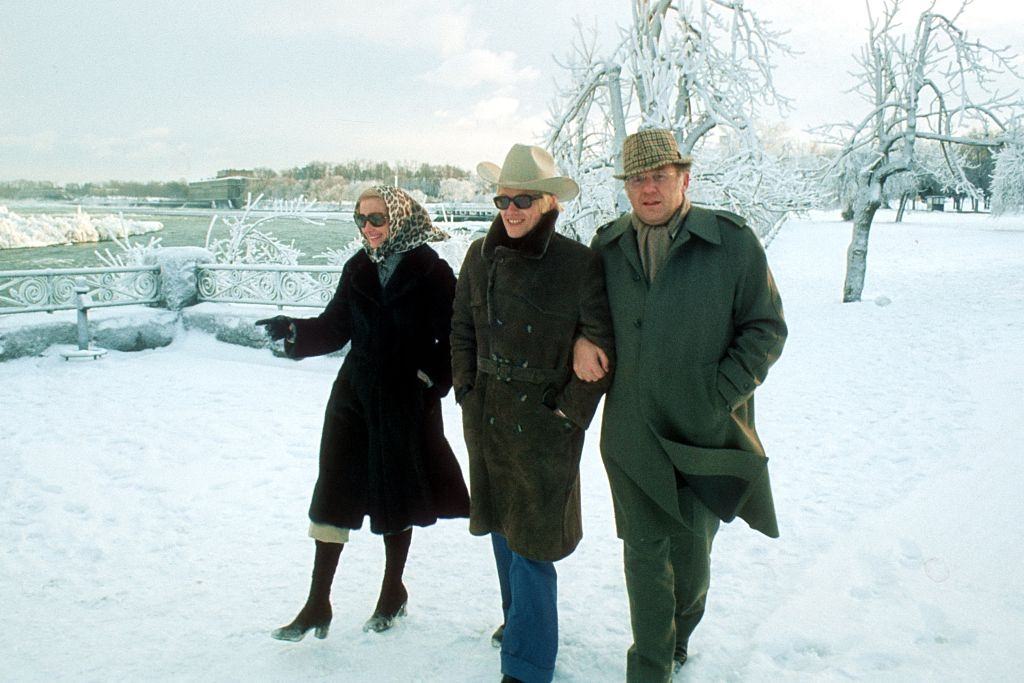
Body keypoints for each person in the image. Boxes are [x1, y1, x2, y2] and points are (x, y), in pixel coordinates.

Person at [573, 128, 787, 681]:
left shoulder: (732, 242)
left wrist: (719, 394)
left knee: (691, 564)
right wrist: (581, 340)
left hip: (703, 435)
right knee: (645, 557)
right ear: (625, 188)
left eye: (659, 176)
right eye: (637, 179)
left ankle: (678, 635)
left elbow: (766, 328)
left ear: (684, 178)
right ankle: (650, 667)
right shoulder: (606, 247)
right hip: (632, 435)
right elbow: (584, 318)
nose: (648, 189)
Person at [257, 185, 470, 641]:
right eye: (360, 220)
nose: (368, 228)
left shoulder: (433, 272)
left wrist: (431, 378)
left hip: (404, 401)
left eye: (377, 219)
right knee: (334, 490)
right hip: (353, 395)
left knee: (397, 495)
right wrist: (294, 331)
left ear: (400, 217)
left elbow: (457, 336)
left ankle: (392, 591)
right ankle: (318, 603)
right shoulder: (357, 267)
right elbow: (335, 328)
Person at [451, 144, 614, 683]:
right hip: (489, 417)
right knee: (502, 530)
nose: (511, 210)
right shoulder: (477, 257)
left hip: (545, 426)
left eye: (523, 199)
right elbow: (461, 331)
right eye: (503, 199)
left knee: (534, 545)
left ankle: (527, 666)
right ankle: (518, 622)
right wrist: (467, 390)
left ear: (548, 202)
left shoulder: (578, 263)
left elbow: (602, 350)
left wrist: (567, 416)